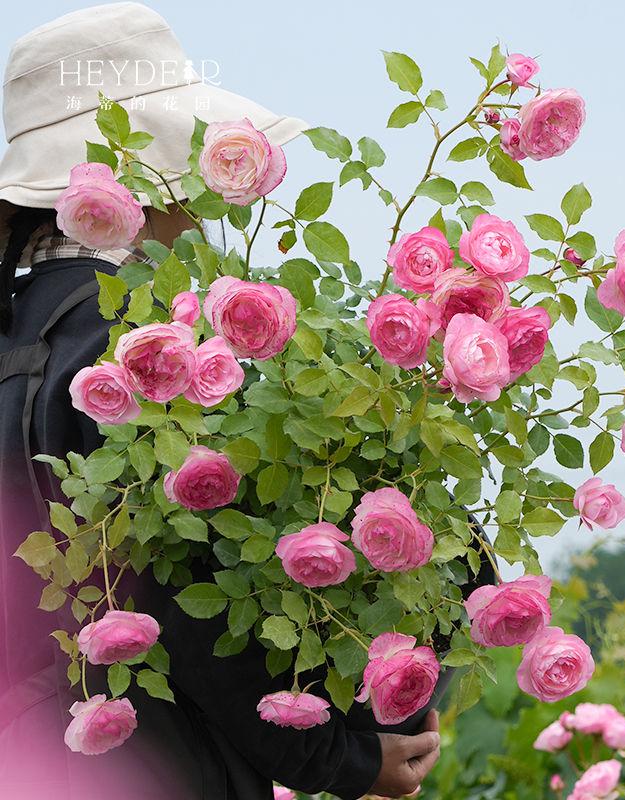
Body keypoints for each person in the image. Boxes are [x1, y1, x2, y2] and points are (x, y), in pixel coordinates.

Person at [0, 4, 440, 799]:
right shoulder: (146, 352)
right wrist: (345, 758)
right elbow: (193, 612)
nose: (204, 206)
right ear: (152, 174)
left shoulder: (14, 340)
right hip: (155, 769)